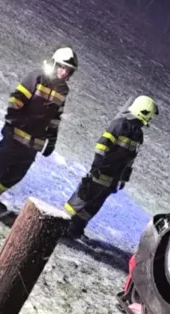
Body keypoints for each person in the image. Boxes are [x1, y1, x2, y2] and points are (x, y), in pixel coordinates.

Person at [0, 47, 77, 214]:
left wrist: (52, 139)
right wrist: (12, 122)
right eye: (63, 67)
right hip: (15, 134)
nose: (65, 73)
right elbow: (16, 99)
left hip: (34, 141)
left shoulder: (63, 90)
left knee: (17, 173)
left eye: (69, 70)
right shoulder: (36, 77)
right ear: (55, 64)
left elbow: (56, 116)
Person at [65, 95, 158, 239]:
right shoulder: (119, 125)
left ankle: (75, 230)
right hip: (100, 174)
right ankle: (57, 225)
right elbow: (101, 146)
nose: (150, 119)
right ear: (144, 112)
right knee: (80, 200)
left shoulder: (138, 134)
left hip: (112, 179)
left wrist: (123, 178)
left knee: (93, 207)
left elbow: (130, 159)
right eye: (150, 116)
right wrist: (97, 167)